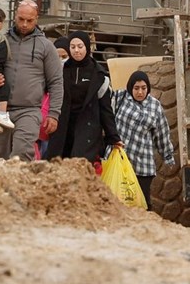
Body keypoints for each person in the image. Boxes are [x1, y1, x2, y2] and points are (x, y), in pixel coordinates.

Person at [0, 0, 64, 161]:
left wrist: (54, 114)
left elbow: (56, 82)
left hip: (29, 111)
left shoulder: (46, 46)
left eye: (30, 20)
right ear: (15, 16)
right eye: (21, 19)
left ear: (37, 19)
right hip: (0, 109)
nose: (25, 24)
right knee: (1, 158)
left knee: (22, 154)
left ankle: (21, 185)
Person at [45, 30, 122, 164]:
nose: (76, 51)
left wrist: (113, 137)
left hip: (87, 128)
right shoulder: (60, 71)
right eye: (73, 47)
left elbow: (106, 109)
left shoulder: (98, 75)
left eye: (80, 47)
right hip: (63, 126)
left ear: (87, 47)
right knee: (56, 166)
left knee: (79, 165)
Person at [112, 70, 176, 210]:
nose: (140, 92)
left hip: (143, 163)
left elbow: (162, 132)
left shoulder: (154, 106)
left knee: (142, 202)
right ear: (130, 87)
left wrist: (167, 155)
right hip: (120, 159)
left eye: (143, 88)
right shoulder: (119, 97)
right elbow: (106, 118)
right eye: (136, 88)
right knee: (118, 198)